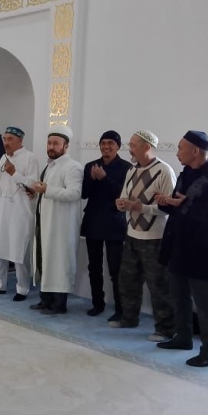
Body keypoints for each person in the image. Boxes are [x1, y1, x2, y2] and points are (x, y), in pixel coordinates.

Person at [157, 131, 208, 367]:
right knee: (179, 297)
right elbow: (179, 207)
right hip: (180, 247)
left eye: (181, 148)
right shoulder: (186, 174)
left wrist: (183, 205)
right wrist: (167, 203)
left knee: (205, 304)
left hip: (203, 251)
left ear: (195, 151)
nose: (177, 152)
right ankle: (183, 338)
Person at [110, 130, 177, 342]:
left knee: (159, 285)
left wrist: (142, 208)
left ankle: (166, 329)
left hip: (155, 238)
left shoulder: (164, 171)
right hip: (131, 234)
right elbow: (125, 196)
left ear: (147, 146)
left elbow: (169, 208)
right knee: (128, 281)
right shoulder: (131, 170)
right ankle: (129, 318)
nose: (129, 149)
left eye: (133, 145)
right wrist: (121, 204)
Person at [29, 126, 84, 314]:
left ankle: (59, 305)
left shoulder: (73, 167)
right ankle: (45, 300)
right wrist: (36, 192)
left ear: (66, 146)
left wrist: (47, 190)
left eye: (56, 143)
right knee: (45, 260)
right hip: (46, 222)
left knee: (59, 263)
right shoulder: (50, 166)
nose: (51, 146)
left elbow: (74, 193)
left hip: (61, 226)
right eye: (49, 143)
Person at [80, 131, 132, 319]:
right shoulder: (91, 166)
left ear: (118, 146)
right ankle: (97, 303)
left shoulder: (127, 168)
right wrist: (92, 179)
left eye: (110, 143)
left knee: (115, 269)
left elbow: (124, 195)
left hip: (114, 223)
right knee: (94, 267)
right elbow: (84, 194)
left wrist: (104, 178)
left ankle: (120, 309)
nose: (106, 146)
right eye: (103, 143)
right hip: (93, 221)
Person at [0, 127, 40, 300]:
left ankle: (22, 288)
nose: (6, 142)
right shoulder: (4, 157)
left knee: (19, 252)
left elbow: (33, 184)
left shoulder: (30, 158)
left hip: (20, 212)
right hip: (3, 211)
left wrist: (14, 173)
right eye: (4, 139)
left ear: (20, 140)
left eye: (10, 139)